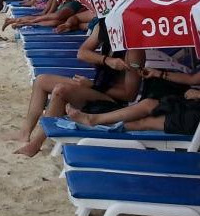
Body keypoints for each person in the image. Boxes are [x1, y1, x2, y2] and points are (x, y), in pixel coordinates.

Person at [11, 19, 143, 157]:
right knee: (41, 80)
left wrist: (93, 85)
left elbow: (129, 95)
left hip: (113, 102)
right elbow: (82, 53)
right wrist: (107, 60)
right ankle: (24, 133)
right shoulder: (104, 25)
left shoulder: (133, 52)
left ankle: (35, 144)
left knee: (61, 91)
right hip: (96, 88)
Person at [65, 64, 200, 134]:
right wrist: (159, 74)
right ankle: (94, 120)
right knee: (148, 104)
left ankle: (95, 125)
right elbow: (192, 79)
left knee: (141, 123)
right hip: (199, 109)